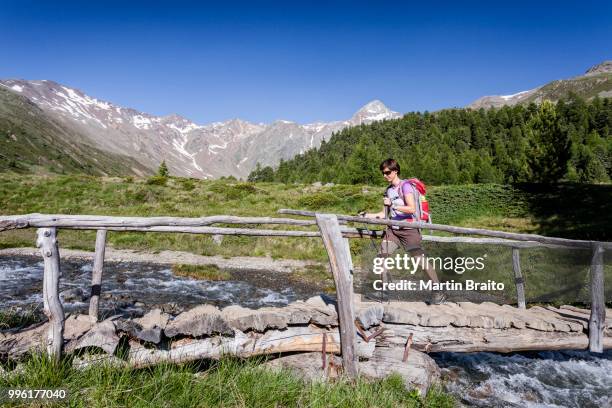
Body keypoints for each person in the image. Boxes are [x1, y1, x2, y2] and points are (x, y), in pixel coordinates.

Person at [361, 158, 446, 304]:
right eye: (383, 173)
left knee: (420, 261)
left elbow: (411, 208)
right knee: (381, 257)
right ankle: (384, 291)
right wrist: (366, 215)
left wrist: (393, 204)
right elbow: (383, 214)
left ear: (395, 171)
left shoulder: (405, 187)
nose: (384, 175)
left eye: (387, 172)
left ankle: (438, 291)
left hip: (409, 230)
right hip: (393, 230)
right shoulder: (388, 190)